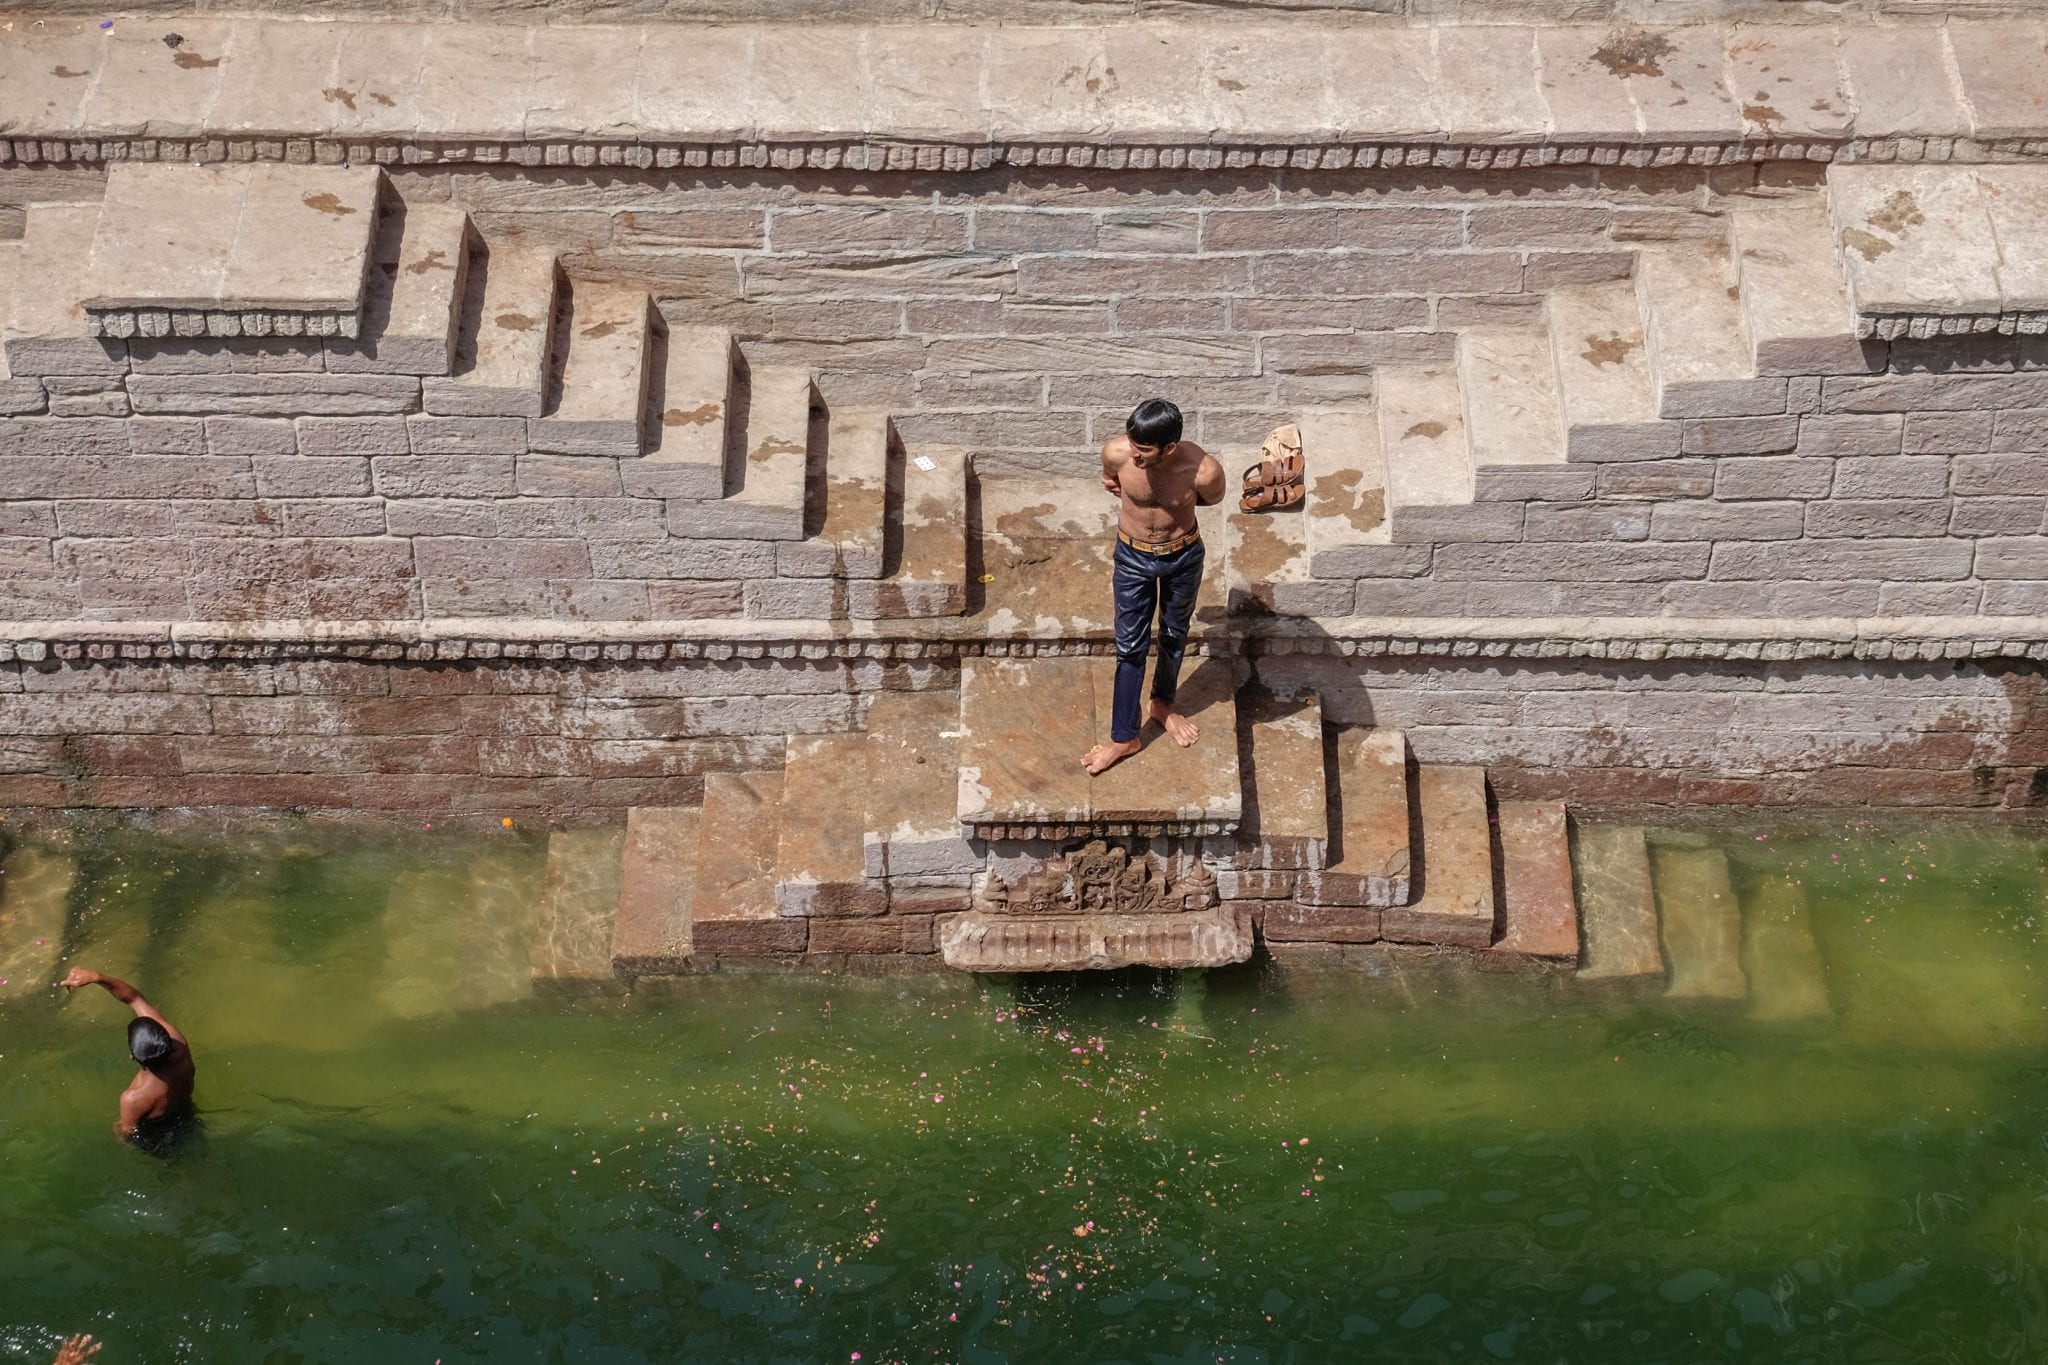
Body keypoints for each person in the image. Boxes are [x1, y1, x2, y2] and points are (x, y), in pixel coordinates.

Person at [1083, 398, 1225, 775]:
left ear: (1170, 448)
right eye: (1133, 445)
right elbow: (1111, 480)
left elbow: (1212, 499)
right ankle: (1124, 736)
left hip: (1182, 555)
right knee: (1130, 646)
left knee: (1175, 633)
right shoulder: (1117, 453)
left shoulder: (1204, 470)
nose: (1135, 455)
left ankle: (1163, 704)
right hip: (1131, 556)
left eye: (1144, 450)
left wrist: (1171, 506)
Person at [60, 968, 195, 1141]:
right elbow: (135, 998)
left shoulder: (133, 1099)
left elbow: (128, 1134)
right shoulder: (179, 1044)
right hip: (186, 1111)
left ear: (133, 1057)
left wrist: (117, 1129)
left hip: (158, 1136)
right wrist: (97, 977)